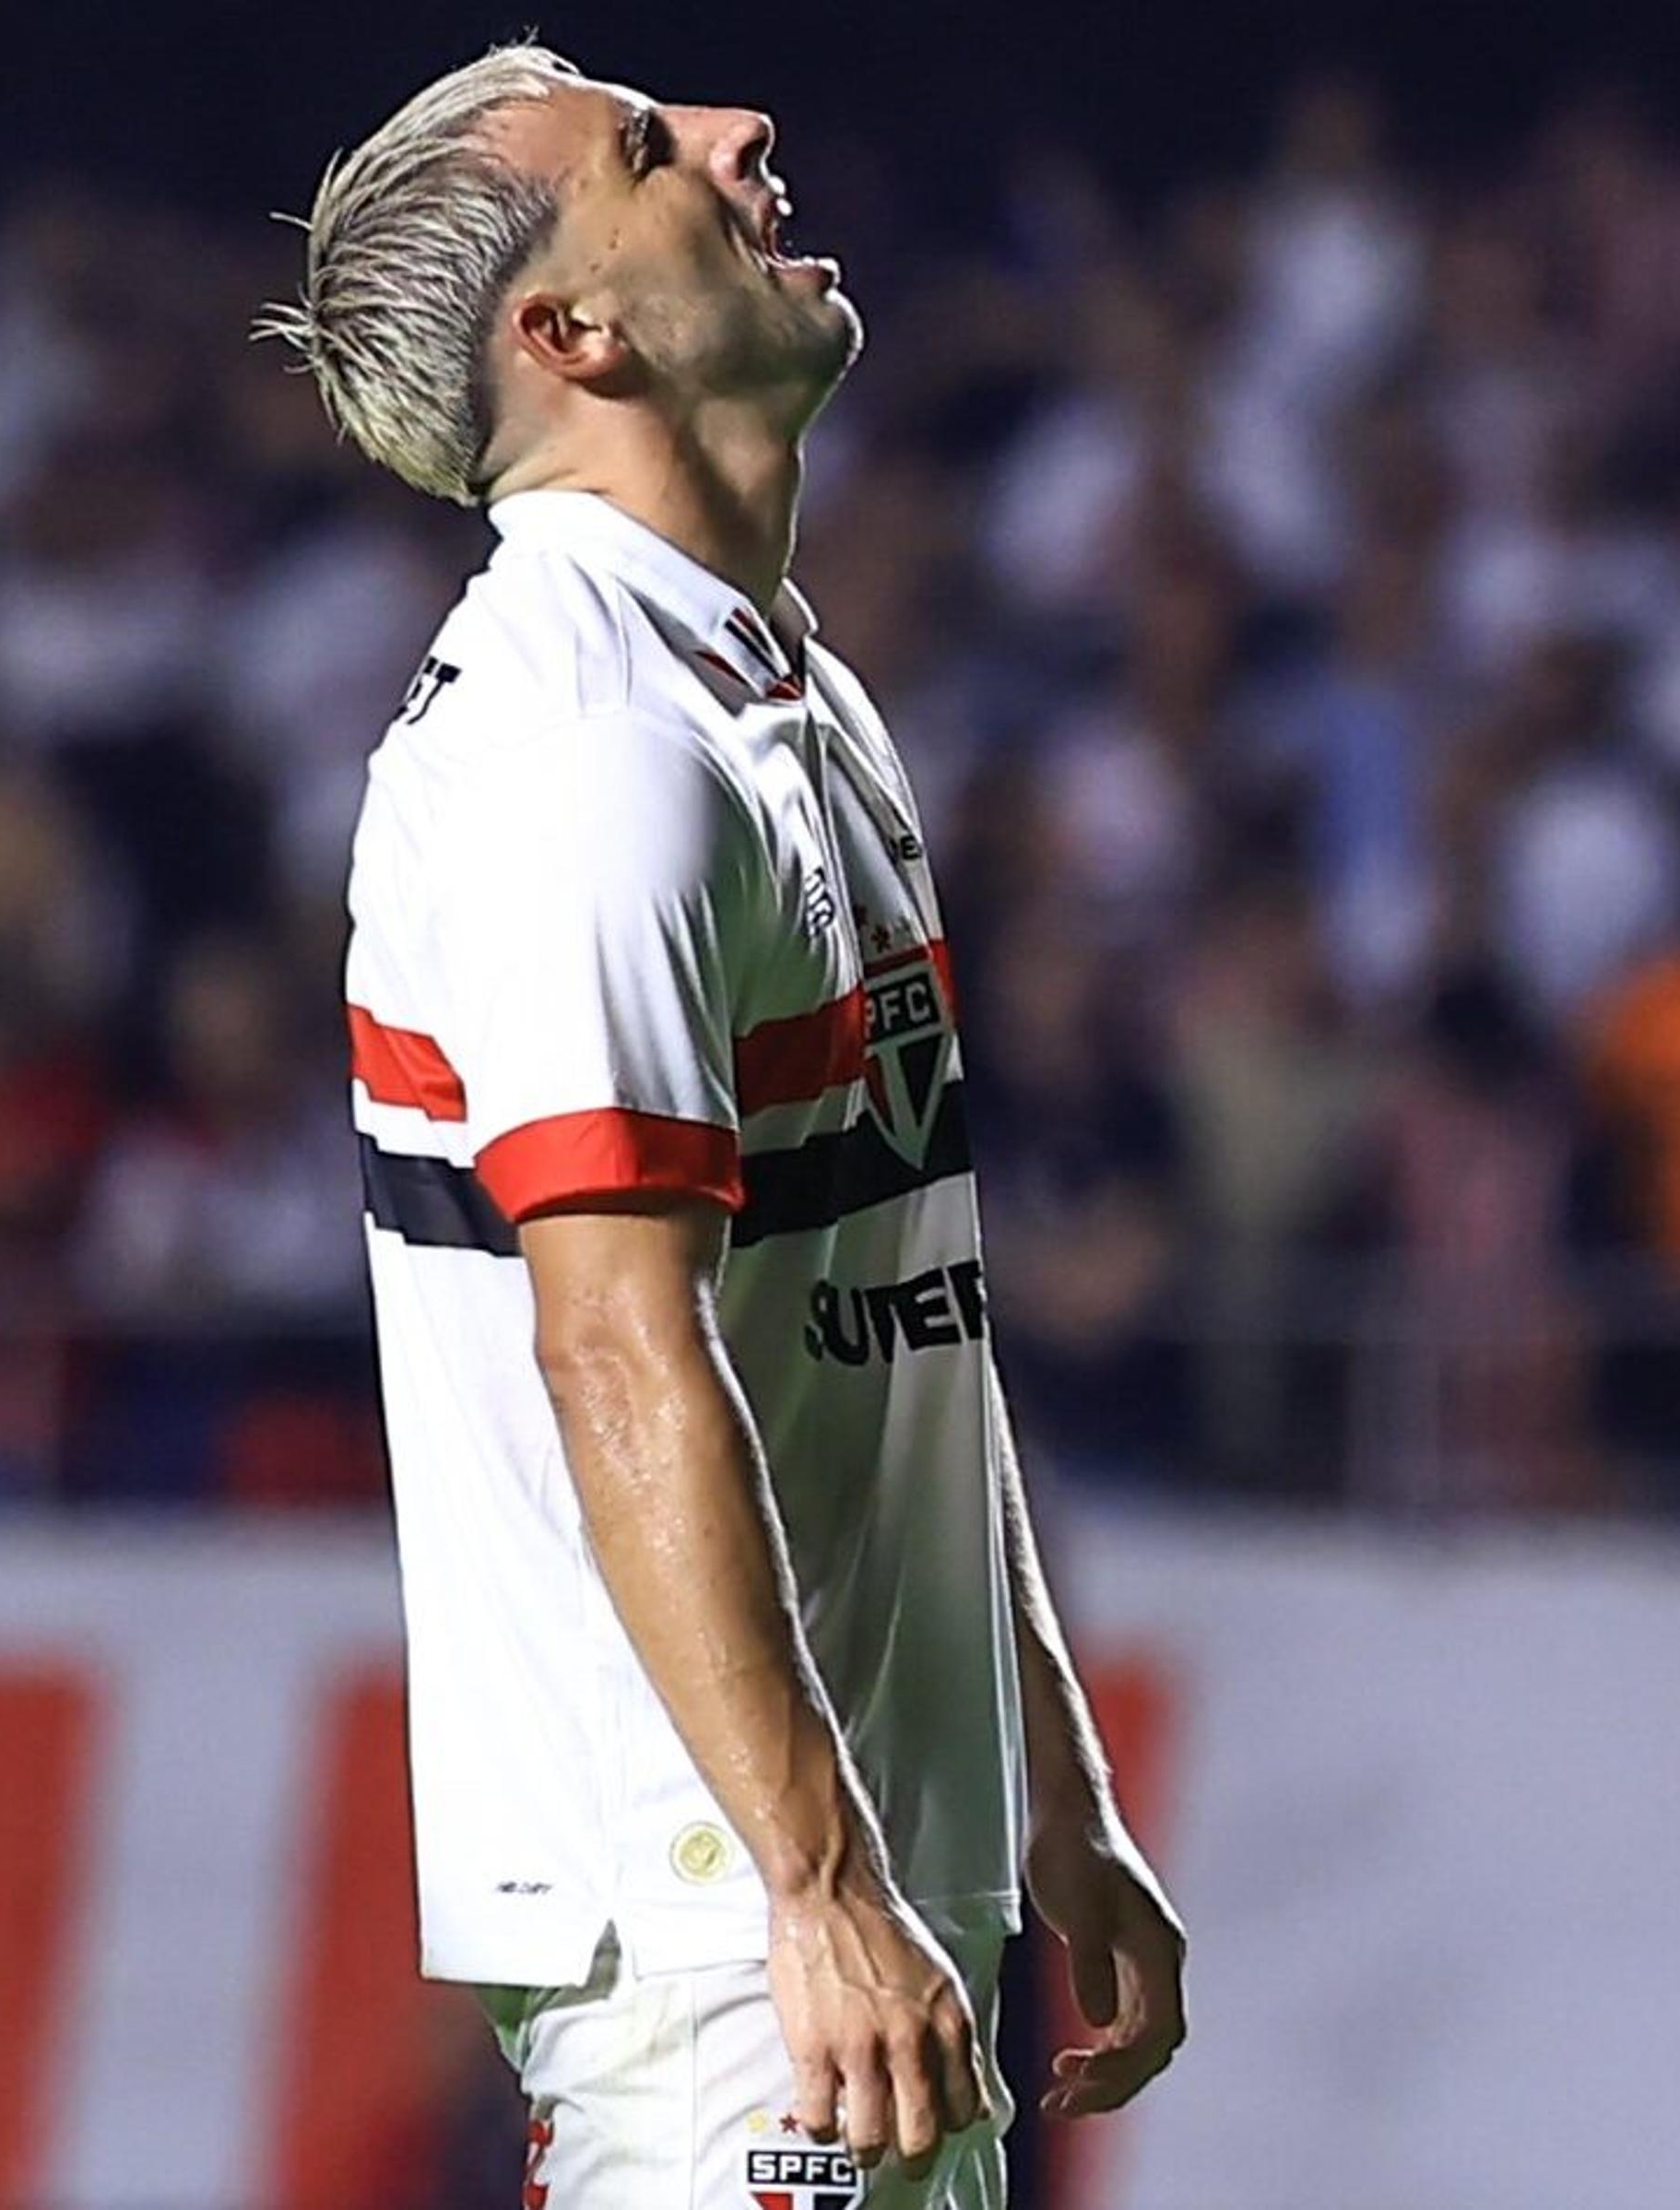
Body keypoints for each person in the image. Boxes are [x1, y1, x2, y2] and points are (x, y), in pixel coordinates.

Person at [260, 45, 1183, 2202]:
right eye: (648, 153)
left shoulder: (777, 691)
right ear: (569, 335)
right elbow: (612, 1341)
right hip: (723, 1931)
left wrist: (1046, 1777)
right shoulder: (584, 749)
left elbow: (902, 1301)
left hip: (848, 1887)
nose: (744, 130)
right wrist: (807, 1868)